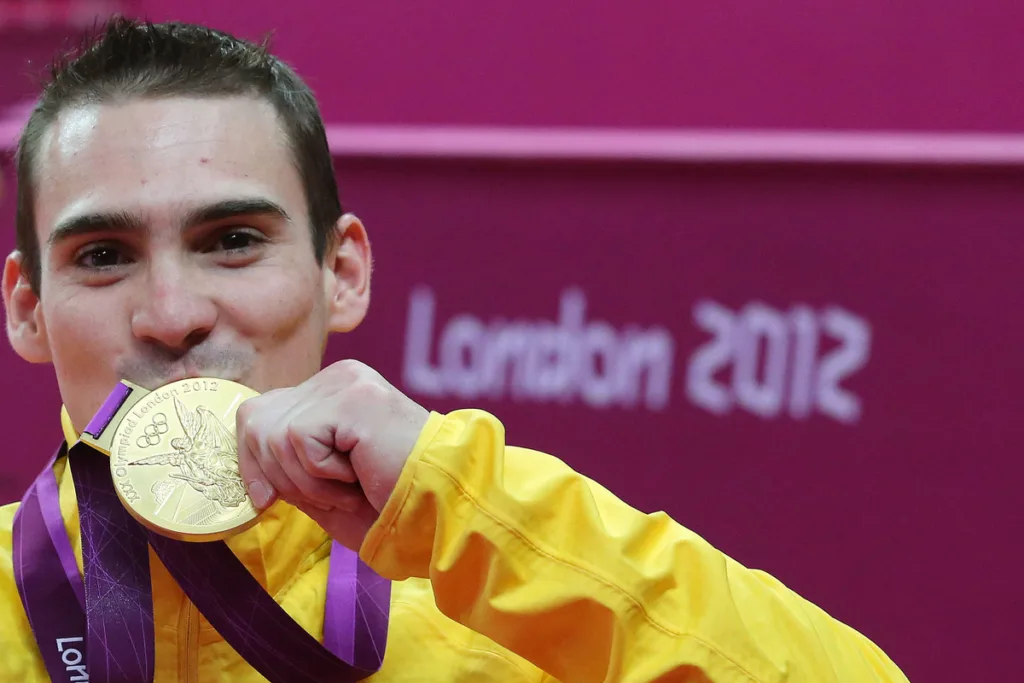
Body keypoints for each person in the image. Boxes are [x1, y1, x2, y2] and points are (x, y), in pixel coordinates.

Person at [0, 17, 910, 682]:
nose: (172, 313)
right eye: (105, 256)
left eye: (234, 239)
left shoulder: (509, 609)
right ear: (29, 309)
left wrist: (457, 499)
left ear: (342, 272)